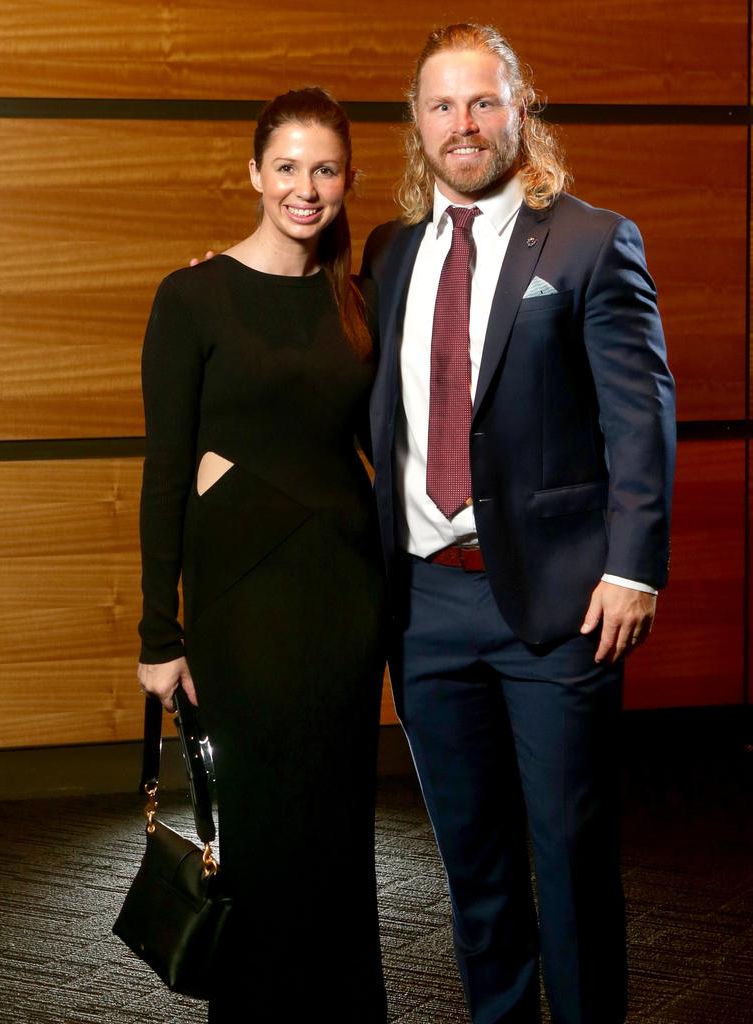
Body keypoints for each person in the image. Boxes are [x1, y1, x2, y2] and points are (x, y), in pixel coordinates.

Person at [360, 23, 676, 1024]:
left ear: (521, 111)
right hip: (424, 607)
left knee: (571, 861)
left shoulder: (588, 239)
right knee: (474, 866)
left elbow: (641, 418)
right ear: (418, 123)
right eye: (443, 104)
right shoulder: (388, 253)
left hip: (561, 607)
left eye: (484, 101)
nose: (464, 123)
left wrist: (634, 567)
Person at [136, 87, 387, 1022]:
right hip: (242, 612)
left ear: (347, 177)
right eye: (287, 166)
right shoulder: (192, 295)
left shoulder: (357, 298)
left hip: (345, 601)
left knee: (336, 838)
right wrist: (160, 635)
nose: (305, 187)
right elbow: (164, 473)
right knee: (253, 835)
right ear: (254, 173)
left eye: (324, 168)